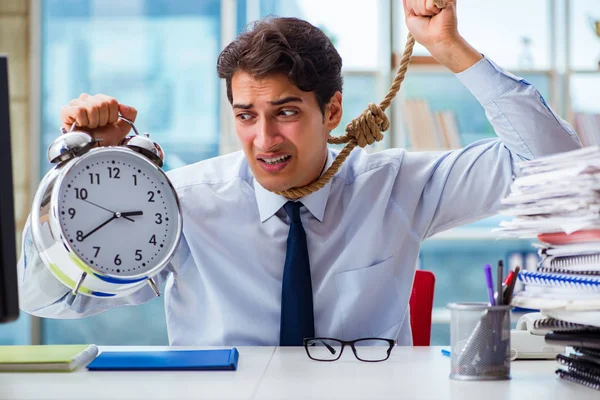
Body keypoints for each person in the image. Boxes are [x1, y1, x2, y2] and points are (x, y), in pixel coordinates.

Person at [18, 0, 581, 346]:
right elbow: (45, 300)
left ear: (331, 110)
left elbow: (553, 163)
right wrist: (82, 171)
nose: (264, 140)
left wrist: (448, 48)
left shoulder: (399, 187)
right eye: (246, 116)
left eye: (286, 113)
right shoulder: (180, 205)